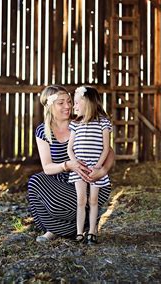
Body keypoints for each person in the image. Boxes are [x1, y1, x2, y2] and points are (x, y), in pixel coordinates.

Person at [28, 85, 114, 242]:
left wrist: (102, 171)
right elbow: (47, 167)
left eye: (69, 101)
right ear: (49, 105)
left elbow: (109, 151)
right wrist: (68, 165)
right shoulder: (42, 131)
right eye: (61, 103)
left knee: (70, 205)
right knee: (35, 182)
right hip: (63, 183)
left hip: (89, 181)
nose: (68, 106)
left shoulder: (82, 120)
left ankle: (64, 228)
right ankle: (75, 227)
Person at [67, 86, 112, 245]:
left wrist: (98, 167)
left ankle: (92, 231)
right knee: (81, 199)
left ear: (87, 102)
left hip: (95, 170)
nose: (74, 106)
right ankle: (79, 232)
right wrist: (74, 163)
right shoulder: (75, 123)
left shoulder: (103, 122)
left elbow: (107, 148)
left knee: (93, 200)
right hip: (79, 170)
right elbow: (69, 148)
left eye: (77, 102)